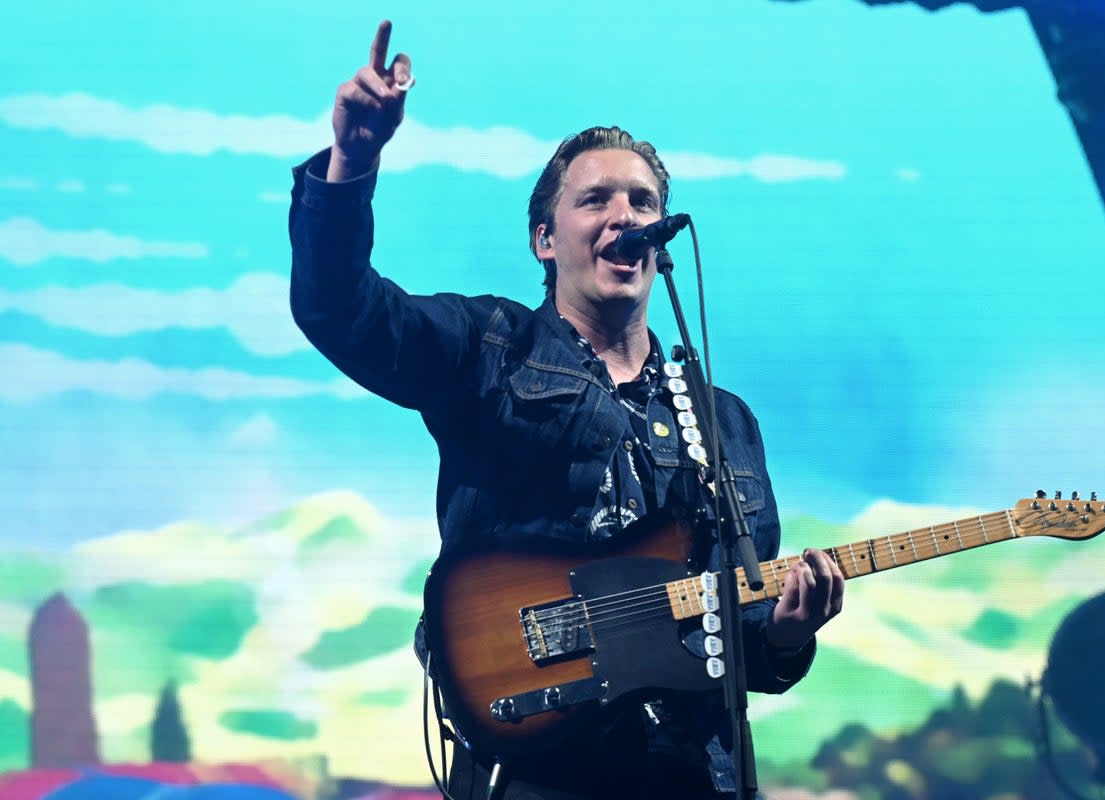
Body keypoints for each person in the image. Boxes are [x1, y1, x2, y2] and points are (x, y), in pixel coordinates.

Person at [289, 20, 845, 800]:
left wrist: (786, 633)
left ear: (662, 238)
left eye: (643, 200)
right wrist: (354, 160)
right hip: (539, 770)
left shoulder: (725, 422)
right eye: (596, 200)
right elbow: (340, 310)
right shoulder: (490, 349)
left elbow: (736, 638)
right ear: (546, 239)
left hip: (696, 774)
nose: (625, 214)